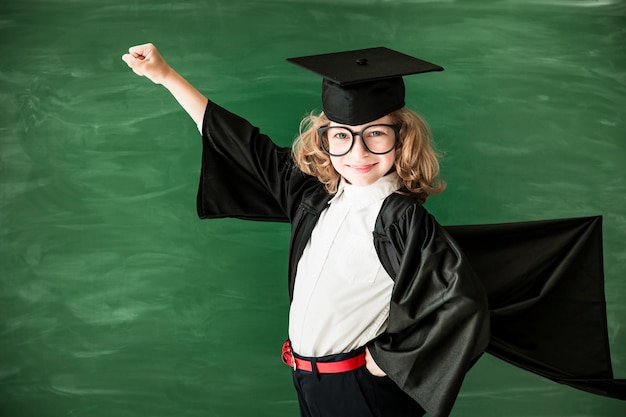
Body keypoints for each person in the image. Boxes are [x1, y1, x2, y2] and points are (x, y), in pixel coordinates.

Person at [122, 43, 491, 417]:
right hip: (309, 382)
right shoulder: (314, 197)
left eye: (376, 134)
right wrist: (165, 76)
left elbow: (461, 304)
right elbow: (243, 145)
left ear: (403, 138)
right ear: (325, 140)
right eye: (342, 136)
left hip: (360, 389)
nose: (358, 153)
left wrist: (388, 359)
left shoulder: (400, 219)